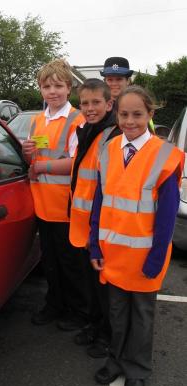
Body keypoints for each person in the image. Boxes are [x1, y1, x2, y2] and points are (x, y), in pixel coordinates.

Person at [90, 86, 185, 386]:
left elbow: (168, 214)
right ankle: (116, 359)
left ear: (150, 115)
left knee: (142, 316)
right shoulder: (108, 150)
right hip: (113, 255)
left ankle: (138, 369)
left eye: (137, 114)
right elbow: (99, 202)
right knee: (117, 315)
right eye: (124, 114)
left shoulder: (165, 156)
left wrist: (157, 256)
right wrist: (94, 243)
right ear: (116, 115)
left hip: (146, 256)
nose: (130, 121)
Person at [22, 59, 90, 330]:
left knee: (70, 264)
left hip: (65, 206)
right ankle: (54, 305)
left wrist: (38, 165)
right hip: (41, 204)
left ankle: (78, 312)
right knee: (50, 262)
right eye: (46, 86)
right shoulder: (38, 121)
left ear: (69, 88)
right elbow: (35, 157)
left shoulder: (77, 119)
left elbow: (78, 163)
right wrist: (29, 156)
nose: (52, 91)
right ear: (40, 89)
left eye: (58, 86)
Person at [69, 78, 121, 357]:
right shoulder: (87, 129)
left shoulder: (113, 135)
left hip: (101, 223)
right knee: (90, 282)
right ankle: (94, 324)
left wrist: (97, 226)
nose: (89, 108)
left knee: (104, 286)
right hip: (82, 220)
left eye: (96, 103)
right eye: (85, 103)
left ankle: (107, 335)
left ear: (109, 103)